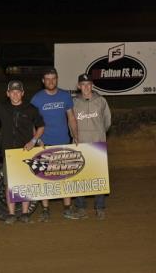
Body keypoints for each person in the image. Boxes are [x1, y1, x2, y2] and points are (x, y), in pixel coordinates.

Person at [31, 69, 79, 222]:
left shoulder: (65, 95)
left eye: (53, 79)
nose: (51, 82)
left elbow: (71, 117)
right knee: (44, 177)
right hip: (44, 143)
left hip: (63, 141)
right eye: (47, 79)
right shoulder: (36, 99)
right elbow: (32, 122)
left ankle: (67, 208)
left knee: (65, 176)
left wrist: (75, 136)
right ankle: (45, 210)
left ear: (57, 79)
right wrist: (37, 140)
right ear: (43, 80)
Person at [0, 80, 45, 224]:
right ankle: (11, 214)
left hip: (25, 151)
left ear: (23, 93)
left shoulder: (31, 109)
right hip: (8, 152)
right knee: (9, 184)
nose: (15, 94)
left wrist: (34, 141)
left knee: (25, 182)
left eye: (18, 91)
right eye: (12, 91)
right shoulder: (1, 108)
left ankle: (25, 213)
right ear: (7, 93)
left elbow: (41, 127)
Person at [73, 73, 111, 220]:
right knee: (80, 177)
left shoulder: (101, 101)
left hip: (97, 143)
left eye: (88, 84)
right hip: (80, 143)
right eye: (83, 84)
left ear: (92, 85)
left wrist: (99, 134)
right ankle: (81, 207)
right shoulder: (74, 102)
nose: (86, 87)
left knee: (98, 176)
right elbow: (70, 121)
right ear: (78, 86)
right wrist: (75, 136)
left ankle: (100, 207)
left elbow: (107, 121)